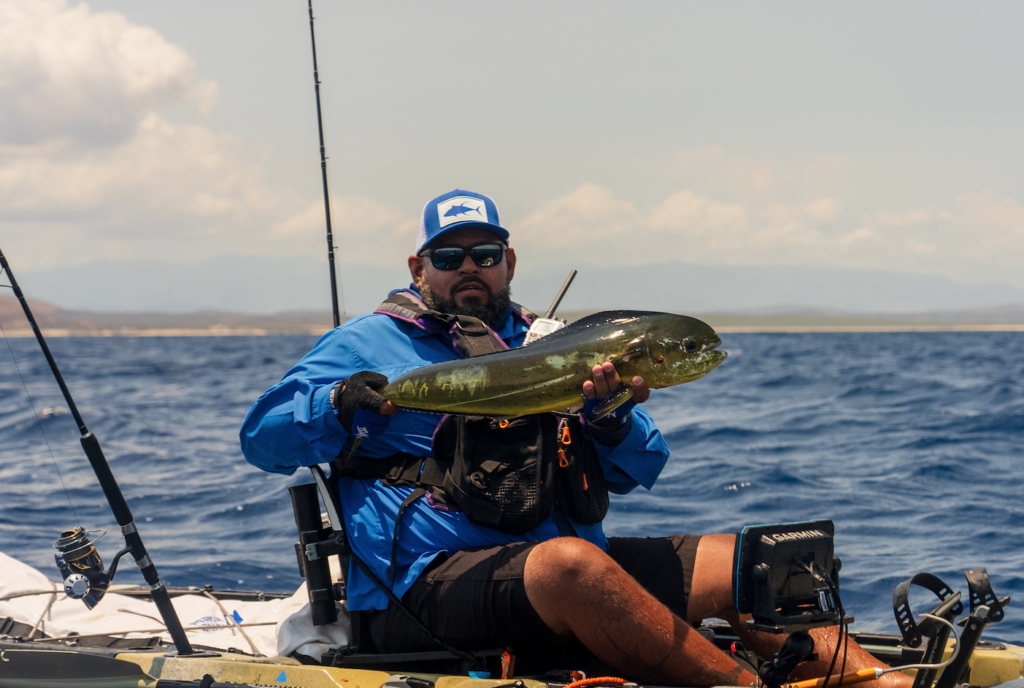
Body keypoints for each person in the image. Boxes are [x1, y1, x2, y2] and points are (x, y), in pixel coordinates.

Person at [240, 189, 911, 687]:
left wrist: (611, 418)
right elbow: (262, 439)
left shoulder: (556, 341)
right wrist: (336, 403)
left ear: (509, 262)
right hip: (420, 593)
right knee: (572, 565)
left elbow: (643, 464)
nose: (469, 266)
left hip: (559, 568)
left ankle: (878, 683)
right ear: (420, 265)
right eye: (450, 255)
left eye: (485, 253)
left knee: (754, 559)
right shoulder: (366, 341)